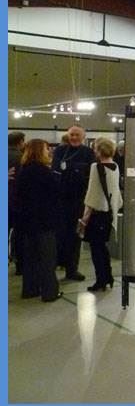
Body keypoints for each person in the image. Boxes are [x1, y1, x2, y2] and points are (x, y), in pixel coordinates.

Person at [15, 139, 63, 302]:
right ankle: (50, 292)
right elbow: (55, 194)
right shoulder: (44, 172)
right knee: (47, 258)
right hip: (45, 221)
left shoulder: (24, 171)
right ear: (40, 151)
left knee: (30, 258)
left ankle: (30, 290)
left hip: (27, 221)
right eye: (46, 149)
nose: (49, 152)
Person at [51, 125, 95, 281]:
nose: (74, 137)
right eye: (72, 135)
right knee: (59, 235)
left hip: (79, 201)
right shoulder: (60, 151)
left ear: (83, 137)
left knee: (75, 237)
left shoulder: (88, 153)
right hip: (60, 200)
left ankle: (72, 269)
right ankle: (55, 266)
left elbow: (90, 175)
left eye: (77, 135)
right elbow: (55, 170)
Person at [78, 138, 123, 292]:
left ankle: (101, 280)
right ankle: (107, 276)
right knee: (102, 248)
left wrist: (85, 218)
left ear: (99, 150)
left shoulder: (95, 167)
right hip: (108, 213)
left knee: (96, 250)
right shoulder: (115, 166)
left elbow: (93, 194)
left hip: (96, 215)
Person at [8, 131, 25, 274]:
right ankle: (19, 265)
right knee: (19, 234)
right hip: (18, 202)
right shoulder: (22, 158)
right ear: (20, 142)